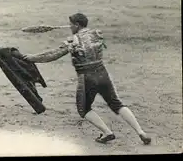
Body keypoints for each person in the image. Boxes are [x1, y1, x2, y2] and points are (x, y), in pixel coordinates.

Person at [18, 13, 152, 145]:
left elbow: (52, 55)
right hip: (102, 73)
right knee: (116, 104)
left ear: (77, 25)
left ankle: (107, 132)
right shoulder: (97, 34)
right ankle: (140, 132)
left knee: (84, 109)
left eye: (71, 24)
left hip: (86, 77)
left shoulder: (73, 40)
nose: (70, 27)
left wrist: (31, 58)